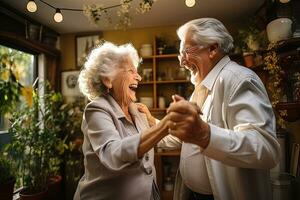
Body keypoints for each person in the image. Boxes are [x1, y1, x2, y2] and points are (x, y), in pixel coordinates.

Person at [140, 18, 281, 200]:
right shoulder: (202, 87)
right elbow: (184, 139)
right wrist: (153, 123)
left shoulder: (238, 79)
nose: (182, 62)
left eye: (185, 52)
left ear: (213, 49)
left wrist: (204, 134)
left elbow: (265, 148)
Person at [74, 42, 171, 200]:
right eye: (131, 71)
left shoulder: (137, 111)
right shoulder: (96, 110)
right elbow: (113, 154)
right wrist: (165, 125)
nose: (138, 77)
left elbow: (160, 140)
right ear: (108, 80)